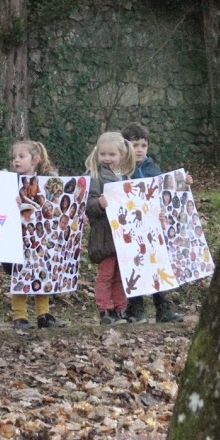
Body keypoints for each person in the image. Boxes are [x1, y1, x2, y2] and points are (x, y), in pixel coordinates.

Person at [121, 122, 185, 324]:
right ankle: (135, 308)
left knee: (157, 265)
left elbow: (164, 191)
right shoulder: (121, 170)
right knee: (134, 265)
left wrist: (183, 183)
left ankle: (163, 307)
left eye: (143, 145)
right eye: (134, 145)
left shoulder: (152, 168)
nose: (139, 150)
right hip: (130, 226)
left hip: (152, 226)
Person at [9, 139, 66, 332]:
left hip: (42, 237)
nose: (16, 160)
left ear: (35, 160)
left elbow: (53, 207)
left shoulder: (47, 184)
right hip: (18, 237)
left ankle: (43, 314)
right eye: (14, 157)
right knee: (21, 274)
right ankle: (19, 316)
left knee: (43, 272)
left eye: (21, 156)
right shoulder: (8, 182)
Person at [84, 131, 136, 325]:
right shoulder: (94, 176)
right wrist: (100, 203)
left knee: (121, 275)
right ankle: (105, 309)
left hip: (122, 235)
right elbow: (87, 205)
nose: (107, 158)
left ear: (121, 155)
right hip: (104, 235)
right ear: (97, 154)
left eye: (111, 155)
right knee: (106, 274)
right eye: (103, 154)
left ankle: (120, 308)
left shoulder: (125, 178)